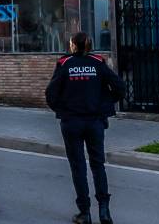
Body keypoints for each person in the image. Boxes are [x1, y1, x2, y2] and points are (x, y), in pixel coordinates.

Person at [46, 32, 126, 224]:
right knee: (98, 165)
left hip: (71, 122)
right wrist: (104, 105)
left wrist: (62, 110)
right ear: (89, 45)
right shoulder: (98, 62)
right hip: (94, 122)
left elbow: (51, 94)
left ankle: (85, 213)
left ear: (73, 45)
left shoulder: (64, 64)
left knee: (78, 167)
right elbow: (120, 88)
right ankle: (104, 211)